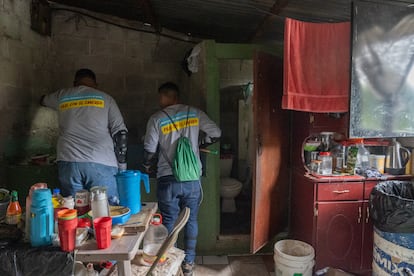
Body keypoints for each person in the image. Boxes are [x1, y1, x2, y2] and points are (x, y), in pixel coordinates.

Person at [143, 82, 221, 276]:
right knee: (191, 219)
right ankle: (188, 263)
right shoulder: (194, 113)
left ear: (168, 97)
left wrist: (146, 168)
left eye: (161, 97)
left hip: (167, 179)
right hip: (192, 179)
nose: (160, 100)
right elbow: (216, 133)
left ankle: (171, 263)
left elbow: (149, 151)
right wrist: (201, 142)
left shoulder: (157, 118)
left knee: (169, 220)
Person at [40, 68, 128, 204]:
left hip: (69, 162)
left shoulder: (62, 96)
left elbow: (43, 100)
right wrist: (122, 166)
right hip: (101, 162)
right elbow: (120, 134)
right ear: (95, 84)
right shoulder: (106, 98)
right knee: (106, 211)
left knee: (73, 212)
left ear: (75, 83)